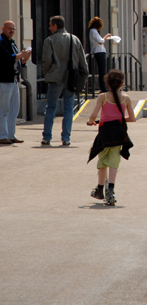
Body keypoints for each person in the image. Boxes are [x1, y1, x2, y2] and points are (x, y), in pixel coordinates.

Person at [87, 69, 135, 206]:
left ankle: (100, 189)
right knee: (114, 161)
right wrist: (118, 119)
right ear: (122, 84)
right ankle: (111, 190)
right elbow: (131, 118)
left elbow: (93, 115)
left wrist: (91, 122)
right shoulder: (126, 99)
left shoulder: (103, 97)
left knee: (102, 161)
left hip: (104, 132)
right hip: (119, 132)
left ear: (107, 83)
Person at [41, 15, 88, 147]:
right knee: (68, 109)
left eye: (50, 25)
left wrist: (47, 73)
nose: (49, 28)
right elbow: (82, 61)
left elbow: (47, 60)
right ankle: (66, 138)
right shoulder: (74, 39)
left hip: (55, 78)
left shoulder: (49, 40)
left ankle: (47, 137)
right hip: (71, 78)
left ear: (55, 26)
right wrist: (84, 75)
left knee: (51, 107)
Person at [0, 21, 31, 145]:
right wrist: (19, 56)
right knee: (4, 110)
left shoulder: (12, 42)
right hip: (4, 80)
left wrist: (24, 59)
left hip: (14, 80)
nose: (11, 31)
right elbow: (7, 58)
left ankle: (11, 135)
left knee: (14, 109)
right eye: (9, 29)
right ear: (3, 29)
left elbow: (17, 61)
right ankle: (2, 135)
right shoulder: (1, 42)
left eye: (13, 29)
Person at [89, 16, 111, 93]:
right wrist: (106, 37)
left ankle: (103, 87)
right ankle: (103, 88)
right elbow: (100, 41)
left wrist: (105, 38)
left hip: (99, 52)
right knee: (102, 71)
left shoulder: (93, 31)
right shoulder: (93, 31)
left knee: (102, 71)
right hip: (99, 52)